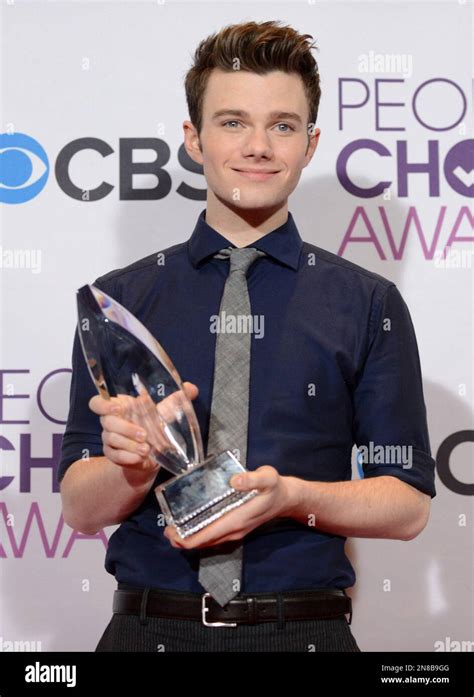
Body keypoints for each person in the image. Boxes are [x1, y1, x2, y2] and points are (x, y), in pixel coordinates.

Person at [58, 20, 436, 653]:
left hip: (305, 633)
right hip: (147, 632)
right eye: (233, 122)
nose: (258, 145)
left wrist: (291, 497)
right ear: (194, 139)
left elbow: (409, 507)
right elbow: (80, 509)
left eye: (283, 126)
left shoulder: (368, 303)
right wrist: (135, 464)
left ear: (310, 144)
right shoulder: (119, 301)